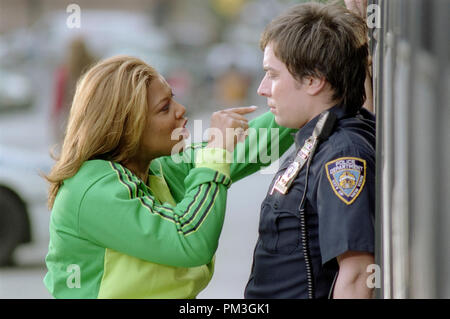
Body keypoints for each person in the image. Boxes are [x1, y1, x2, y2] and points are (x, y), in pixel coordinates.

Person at [43, 55, 295, 298]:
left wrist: (302, 101)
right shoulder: (91, 189)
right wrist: (216, 152)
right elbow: (189, 241)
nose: (181, 109)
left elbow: (254, 146)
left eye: (173, 99)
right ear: (127, 125)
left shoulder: (156, 167)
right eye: (164, 107)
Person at [244, 2, 376, 299]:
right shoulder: (324, 135)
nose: (263, 88)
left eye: (273, 75)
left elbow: (356, 275)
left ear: (314, 80)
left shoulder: (343, 155)